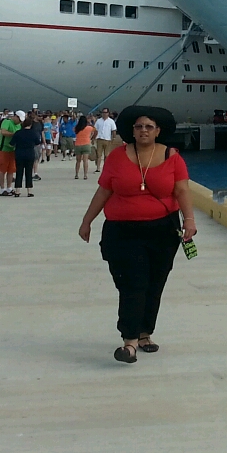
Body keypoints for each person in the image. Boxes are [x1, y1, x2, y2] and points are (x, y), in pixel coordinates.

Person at [79, 106, 196, 363]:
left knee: (155, 283)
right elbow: (103, 192)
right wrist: (87, 221)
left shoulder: (172, 156)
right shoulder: (117, 156)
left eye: (149, 127)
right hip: (123, 231)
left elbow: (182, 191)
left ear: (158, 131)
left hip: (163, 230)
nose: (143, 131)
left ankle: (145, 333)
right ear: (132, 130)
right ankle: (129, 341)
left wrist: (189, 220)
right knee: (133, 282)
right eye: (139, 126)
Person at [11, 113, 42, 196]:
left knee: (19, 172)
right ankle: (29, 191)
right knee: (29, 172)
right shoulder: (33, 133)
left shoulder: (18, 133)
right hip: (29, 154)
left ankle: (17, 190)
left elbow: (12, 143)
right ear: (30, 125)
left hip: (19, 154)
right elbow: (37, 143)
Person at [0, 110, 21, 195]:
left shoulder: (19, 125)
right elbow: (4, 132)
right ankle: (2, 189)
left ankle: (9, 188)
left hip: (13, 150)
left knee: (11, 170)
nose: (20, 121)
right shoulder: (7, 122)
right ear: (15, 117)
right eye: (19, 119)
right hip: (3, 149)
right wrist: (15, 135)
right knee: (2, 169)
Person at [72, 114, 94, 180]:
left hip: (78, 144)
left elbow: (74, 131)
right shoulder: (89, 128)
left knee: (78, 161)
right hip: (86, 143)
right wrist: (91, 137)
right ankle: (85, 175)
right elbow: (95, 130)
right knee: (85, 161)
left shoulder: (76, 128)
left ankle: (76, 174)